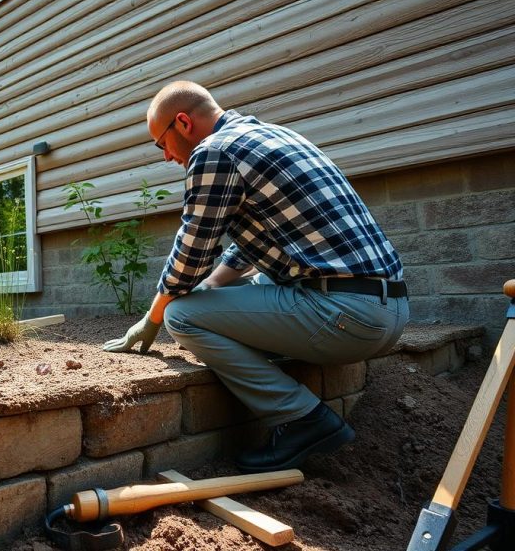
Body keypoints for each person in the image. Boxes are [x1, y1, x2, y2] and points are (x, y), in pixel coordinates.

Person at [104, 81, 409, 472]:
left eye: (160, 143)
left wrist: (153, 317)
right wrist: (212, 286)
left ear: (182, 123)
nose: (165, 157)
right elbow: (260, 240)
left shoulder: (213, 152)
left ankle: (304, 420)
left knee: (183, 316)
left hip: (347, 316)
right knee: (242, 289)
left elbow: (191, 251)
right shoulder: (273, 136)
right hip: (389, 309)